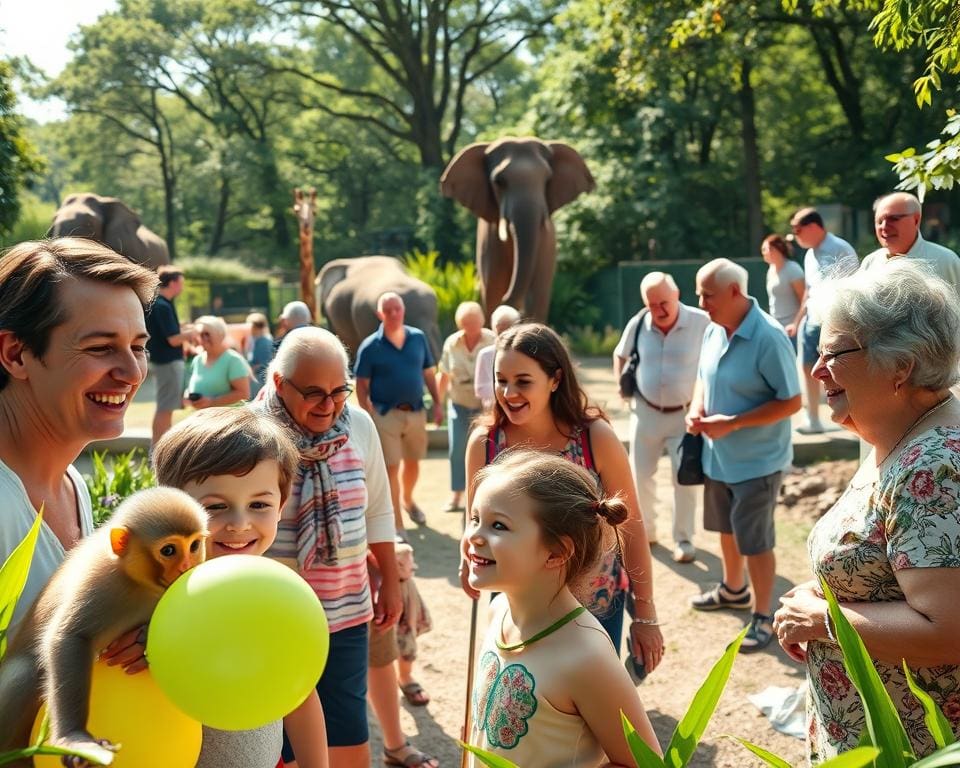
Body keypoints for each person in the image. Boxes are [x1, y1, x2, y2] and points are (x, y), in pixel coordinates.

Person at [772, 261, 960, 760]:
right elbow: (885, 559)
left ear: (902, 363)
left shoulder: (936, 466)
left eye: (833, 353)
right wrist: (822, 590)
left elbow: (948, 630)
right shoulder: (896, 435)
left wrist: (823, 619)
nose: (816, 370)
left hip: (911, 747)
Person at [463, 323, 664, 672]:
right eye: (501, 380)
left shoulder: (595, 437)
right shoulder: (485, 443)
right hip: (517, 601)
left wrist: (645, 614)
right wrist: (467, 560)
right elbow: (474, 521)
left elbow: (630, 527)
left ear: (555, 380)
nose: (508, 392)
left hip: (595, 601)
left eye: (523, 381)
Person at [253, 326, 400, 768]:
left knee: (348, 733)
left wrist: (390, 582)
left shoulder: (358, 425)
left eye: (340, 391)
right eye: (315, 393)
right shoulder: (248, 432)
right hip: (272, 618)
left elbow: (378, 510)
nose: (330, 405)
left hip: (345, 612)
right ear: (279, 383)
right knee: (281, 745)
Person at [152, 407, 328, 768]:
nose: (239, 523)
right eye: (215, 507)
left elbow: (298, 692)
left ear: (281, 505)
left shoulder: (275, 596)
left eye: (259, 504)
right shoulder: (157, 601)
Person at [464, 449, 662, 767]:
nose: (474, 535)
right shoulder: (498, 610)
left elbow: (646, 762)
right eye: (475, 519)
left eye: (498, 526)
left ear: (557, 552)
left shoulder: (586, 655)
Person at [0, 238, 157, 634]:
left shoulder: (72, 486)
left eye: (138, 347)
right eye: (101, 347)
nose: (132, 372)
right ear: (15, 354)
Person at [687, 258, 801, 652]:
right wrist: (696, 408)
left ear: (735, 291)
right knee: (726, 529)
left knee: (755, 541)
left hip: (757, 462)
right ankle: (733, 590)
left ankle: (764, 615)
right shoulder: (713, 329)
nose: (700, 302)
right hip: (717, 457)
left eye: (708, 294)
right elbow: (703, 378)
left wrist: (733, 422)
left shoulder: (769, 336)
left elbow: (792, 402)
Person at [613, 271, 710, 563]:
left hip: (685, 414)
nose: (658, 310)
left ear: (677, 294)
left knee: (685, 479)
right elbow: (621, 354)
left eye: (664, 302)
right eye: (652, 304)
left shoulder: (701, 322)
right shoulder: (639, 322)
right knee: (640, 476)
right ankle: (648, 532)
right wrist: (622, 386)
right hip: (645, 411)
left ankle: (684, 539)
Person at [355, 292, 442, 532]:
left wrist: (437, 403)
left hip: (416, 412)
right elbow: (361, 383)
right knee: (391, 467)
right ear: (380, 314)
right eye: (388, 310)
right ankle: (397, 524)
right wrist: (368, 413)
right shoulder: (371, 346)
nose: (393, 314)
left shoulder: (418, 338)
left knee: (413, 463)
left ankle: (409, 501)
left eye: (397, 309)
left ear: (403, 311)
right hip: (385, 415)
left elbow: (428, 373)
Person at [366, 546, 438, 768]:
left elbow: (383, 512)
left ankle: (395, 746)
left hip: (365, 570)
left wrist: (392, 564)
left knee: (386, 649)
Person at [788, 207, 858, 434]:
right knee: (808, 367)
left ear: (814, 226)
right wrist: (798, 321)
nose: (794, 236)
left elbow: (852, 288)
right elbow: (808, 291)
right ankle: (813, 419)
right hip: (811, 321)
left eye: (797, 230)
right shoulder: (809, 255)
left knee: (838, 370)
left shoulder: (841, 248)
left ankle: (850, 418)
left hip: (835, 322)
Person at [437, 301, 495, 512]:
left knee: (487, 449)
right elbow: (443, 374)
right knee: (457, 449)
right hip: (459, 404)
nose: (471, 327)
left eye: (474, 322)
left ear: (481, 321)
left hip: (485, 407)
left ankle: (485, 494)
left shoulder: (492, 339)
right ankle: (456, 494)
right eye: (466, 323)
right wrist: (438, 404)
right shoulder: (452, 343)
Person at [860, 191, 960, 294]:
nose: (884, 227)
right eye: (879, 221)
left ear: (916, 220)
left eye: (893, 219)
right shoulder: (871, 262)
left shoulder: (945, 261)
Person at [146, 266, 194, 444]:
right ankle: (160, 448)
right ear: (172, 283)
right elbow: (173, 340)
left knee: (165, 407)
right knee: (165, 408)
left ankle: (159, 447)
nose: (181, 288)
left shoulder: (159, 303)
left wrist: (184, 329)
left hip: (163, 361)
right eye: (180, 283)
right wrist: (193, 333)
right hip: (168, 362)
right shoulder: (162, 305)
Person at [184, 315, 251, 408]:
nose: (203, 338)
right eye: (200, 334)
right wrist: (188, 394)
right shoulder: (197, 360)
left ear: (220, 334)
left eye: (207, 334)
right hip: (204, 418)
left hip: (228, 418)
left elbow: (243, 393)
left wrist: (212, 402)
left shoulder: (233, 360)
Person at [760, 235, 805, 351]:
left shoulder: (793, 269)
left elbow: (804, 300)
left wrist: (795, 324)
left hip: (792, 330)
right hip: (777, 327)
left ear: (776, 249)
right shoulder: (770, 269)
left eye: (765, 249)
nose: (763, 253)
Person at [473, 305, 521, 409]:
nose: (503, 333)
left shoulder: (523, 355)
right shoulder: (485, 354)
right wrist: (503, 387)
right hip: (493, 410)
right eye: (499, 328)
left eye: (508, 327)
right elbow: (479, 389)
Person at [246, 312, 273, 398]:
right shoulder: (255, 340)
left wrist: (250, 369)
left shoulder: (264, 342)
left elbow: (265, 364)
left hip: (260, 381)